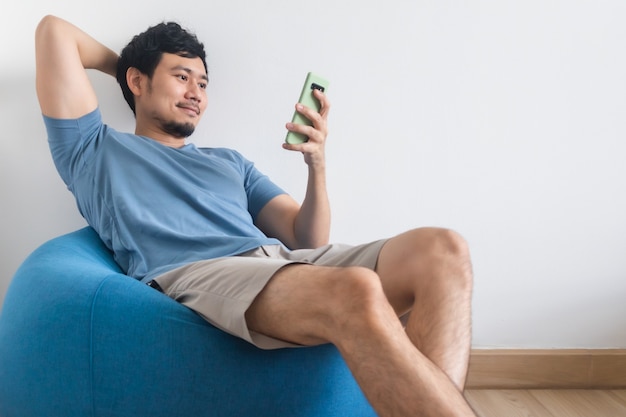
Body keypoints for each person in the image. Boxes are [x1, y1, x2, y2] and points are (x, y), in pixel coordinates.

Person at [35, 15, 476, 417]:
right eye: (181, 76)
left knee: (443, 249)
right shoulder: (93, 149)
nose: (196, 94)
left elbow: (307, 238)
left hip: (278, 263)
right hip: (196, 274)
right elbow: (54, 31)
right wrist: (125, 69)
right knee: (356, 289)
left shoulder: (229, 162)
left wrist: (317, 163)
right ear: (138, 80)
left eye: (203, 84)